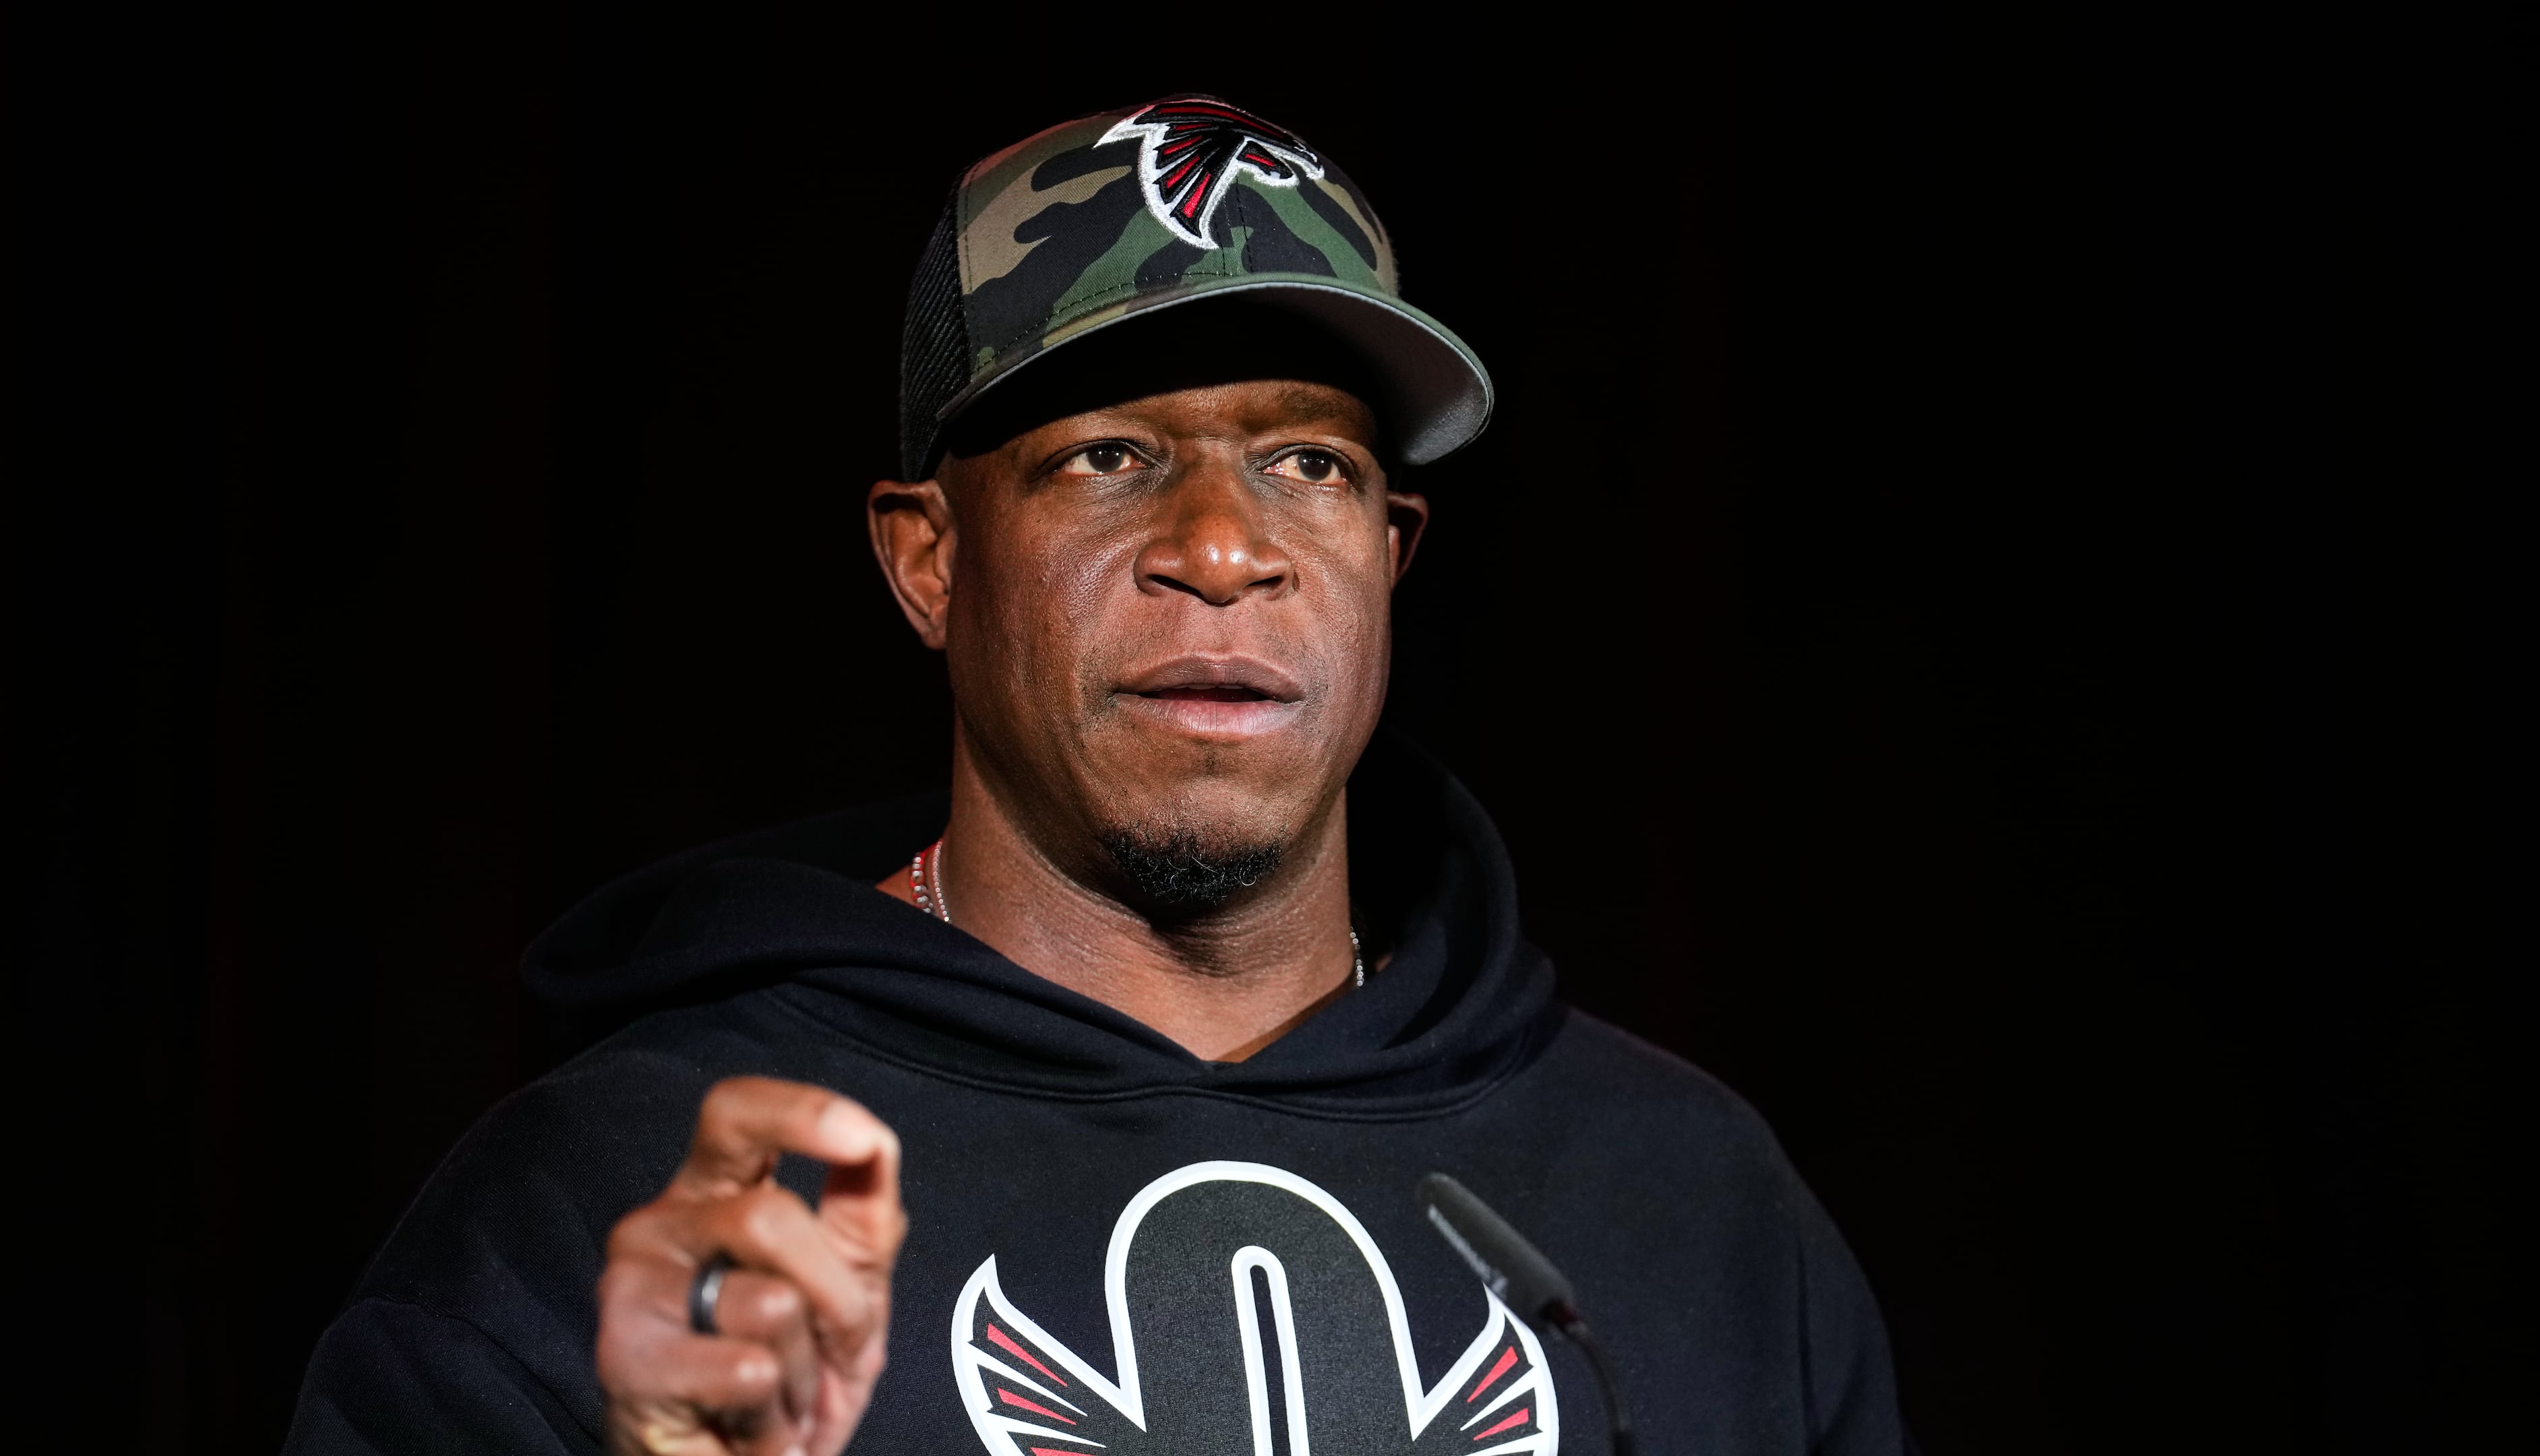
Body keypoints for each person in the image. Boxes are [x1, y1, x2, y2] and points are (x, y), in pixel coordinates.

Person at [286, 95, 1909, 1455]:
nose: (1224, 547)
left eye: (1310, 463)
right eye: (1106, 458)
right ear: (929, 561)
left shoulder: (1691, 1202)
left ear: (1391, 556)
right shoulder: (646, 1211)